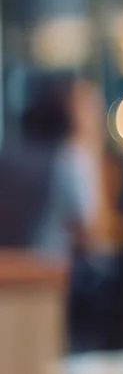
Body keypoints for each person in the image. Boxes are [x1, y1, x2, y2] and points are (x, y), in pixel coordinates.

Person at [0, 75, 94, 259]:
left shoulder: (13, 155)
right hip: (52, 268)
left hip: (14, 265)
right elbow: (90, 229)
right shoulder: (71, 158)